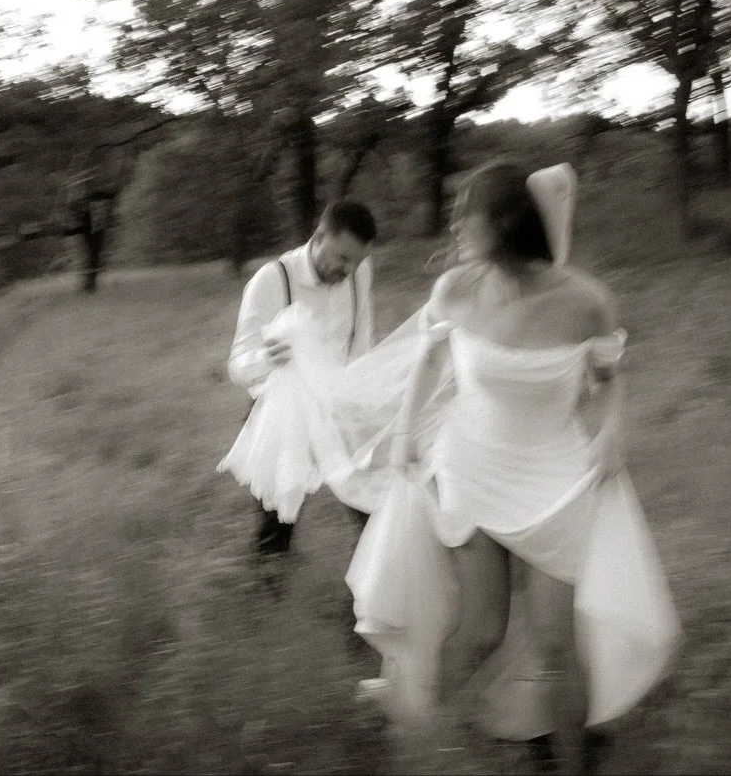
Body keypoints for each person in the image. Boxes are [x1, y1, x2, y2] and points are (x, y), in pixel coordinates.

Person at [344, 161, 681, 775]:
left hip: (554, 482)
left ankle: (574, 764)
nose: (452, 222)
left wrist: (612, 430)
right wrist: (403, 436)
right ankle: (412, 741)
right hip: (471, 469)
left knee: (557, 645)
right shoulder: (457, 290)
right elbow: (427, 363)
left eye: (463, 210)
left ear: (503, 221)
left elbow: (609, 380)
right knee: (480, 634)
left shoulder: (585, 302)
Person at [220, 200, 378, 559]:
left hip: (342, 410)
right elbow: (237, 365)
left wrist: (361, 401)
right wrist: (266, 358)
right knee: (275, 529)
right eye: (342, 258)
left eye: (357, 260)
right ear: (319, 237)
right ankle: (266, 599)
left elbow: (362, 340)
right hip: (284, 413)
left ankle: (369, 604)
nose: (350, 269)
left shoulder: (360, 272)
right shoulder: (272, 280)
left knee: (373, 510)